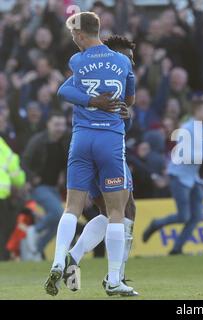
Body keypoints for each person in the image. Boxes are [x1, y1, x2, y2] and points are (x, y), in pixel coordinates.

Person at [44, 12, 136, 297]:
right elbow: (127, 105)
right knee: (122, 212)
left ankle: (65, 259)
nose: (132, 61)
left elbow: (62, 90)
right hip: (109, 142)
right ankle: (113, 276)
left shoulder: (79, 64)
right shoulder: (121, 65)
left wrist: (92, 100)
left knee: (81, 208)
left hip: (83, 140)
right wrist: (123, 109)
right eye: (130, 56)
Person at [142, 97, 203, 255]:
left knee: (197, 216)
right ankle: (156, 224)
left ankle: (177, 249)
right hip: (178, 176)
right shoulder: (185, 128)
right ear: (196, 111)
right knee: (184, 216)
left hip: (193, 177)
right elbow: (185, 155)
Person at [22, 112, 70, 257]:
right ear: (48, 124)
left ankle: (36, 248)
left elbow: (67, 162)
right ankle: (34, 230)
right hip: (40, 187)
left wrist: (64, 174)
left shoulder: (65, 141)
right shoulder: (37, 141)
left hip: (54, 188)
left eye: (62, 125)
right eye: (56, 125)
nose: (60, 128)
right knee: (58, 214)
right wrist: (31, 178)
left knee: (59, 224)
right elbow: (23, 161)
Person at [0, 137, 26, 261]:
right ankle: (2, 258)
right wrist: (21, 182)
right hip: (2, 194)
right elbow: (15, 174)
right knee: (3, 230)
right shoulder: (2, 147)